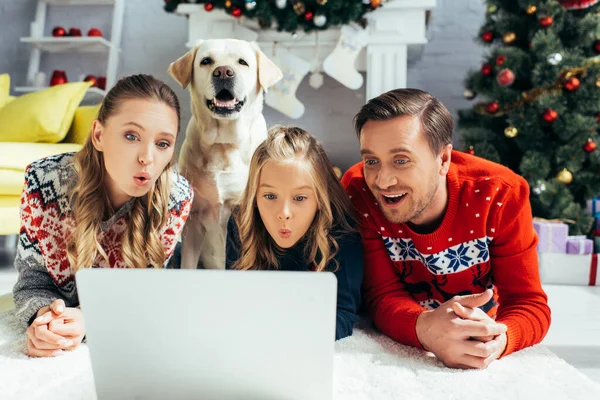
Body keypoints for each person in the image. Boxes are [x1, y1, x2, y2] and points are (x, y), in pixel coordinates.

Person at [341, 88, 551, 369]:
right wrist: (426, 328)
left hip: (481, 327)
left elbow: (528, 302)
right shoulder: (358, 191)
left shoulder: (502, 194)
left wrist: (497, 341)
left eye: (401, 160)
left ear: (443, 160)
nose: (383, 180)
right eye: (371, 161)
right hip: (410, 325)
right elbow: (381, 294)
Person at [13, 74, 194, 357]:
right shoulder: (43, 180)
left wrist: (90, 318)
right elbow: (32, 281)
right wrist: (44, 318)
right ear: (98, 135)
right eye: (131, 136)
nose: (147, 157)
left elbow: (148, 294)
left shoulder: (175, 197)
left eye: (162, 144)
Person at [226, 125, 363, 340]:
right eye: (270, 196)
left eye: (300, 198)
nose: (284, 213)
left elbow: (343, 315)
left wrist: (287, 334)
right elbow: (236, 304)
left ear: (320, 199)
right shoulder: (241, 222)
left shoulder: (341, 233)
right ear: (254, 197)